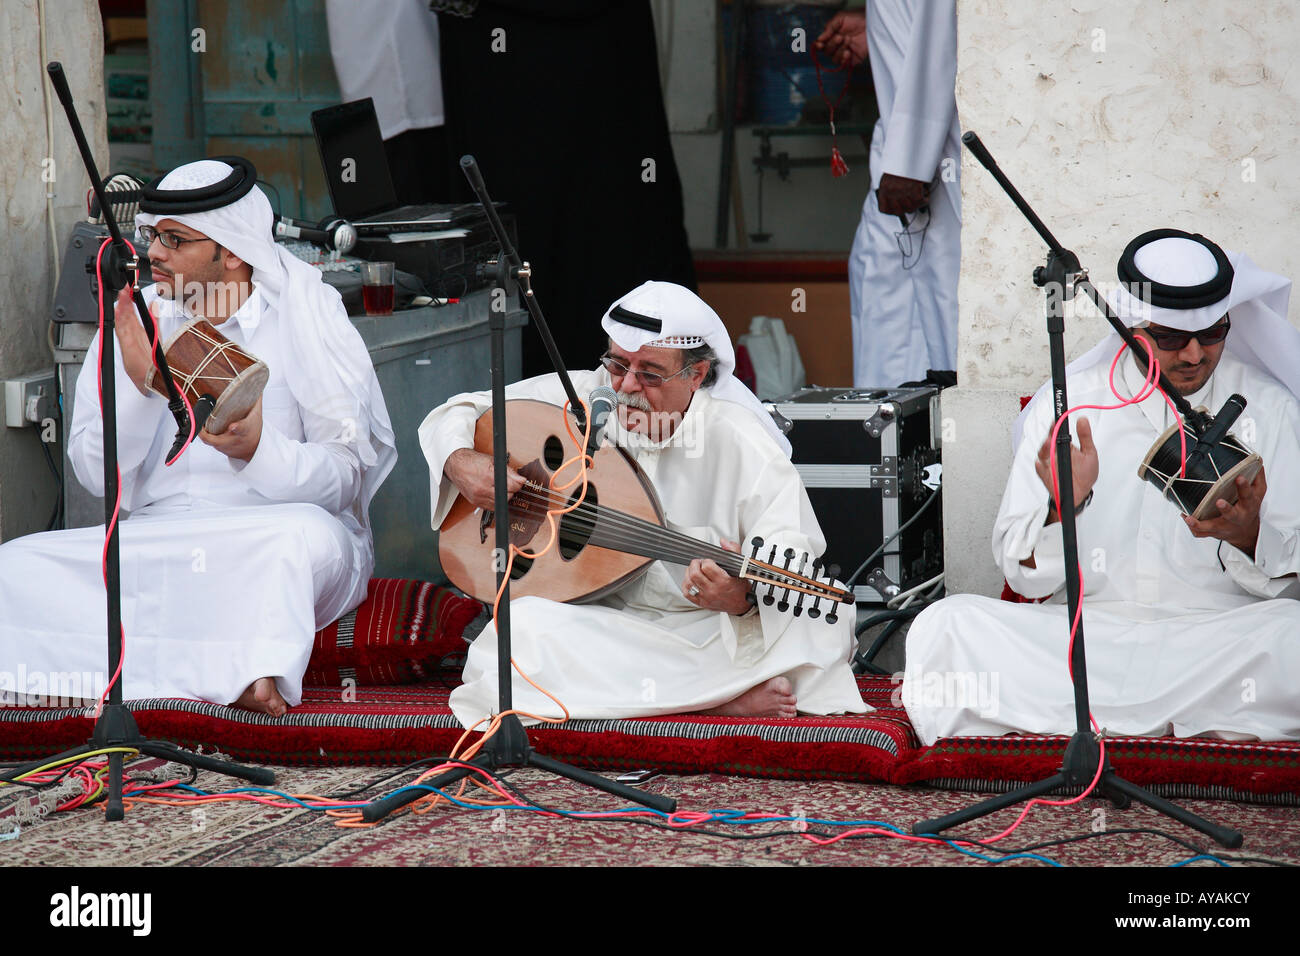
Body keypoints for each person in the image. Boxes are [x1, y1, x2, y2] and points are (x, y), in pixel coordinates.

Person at [0, 158, 397, 717]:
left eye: (174, 240)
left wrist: (260, 452)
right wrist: (143, 382)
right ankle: (215, 682)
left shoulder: (303, 316)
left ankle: (95, 683)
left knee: (285, 548)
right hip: (159, 538)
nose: (152, 254)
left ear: (231, 251)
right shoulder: (133, 324)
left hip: (274, 530)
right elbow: (94, 476)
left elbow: (343, 478)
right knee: (19, 563)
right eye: (150, 237)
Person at [902, 229, 1300, 746]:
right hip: (1088, 641)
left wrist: (1249, 538)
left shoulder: (1270, 409)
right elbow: (1024, 580)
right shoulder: (1072, 405)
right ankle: (1192, 721)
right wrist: (1059, 510)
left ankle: (1082, 718)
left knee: (1291, 636)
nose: (1196, 355)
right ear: (1132, 327)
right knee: (947, 624)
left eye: (1214, 333)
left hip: (1214, 640)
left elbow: (1289, 581)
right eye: (1172, 338)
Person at [418, 281, 867, 728]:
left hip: (703, 631)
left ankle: (683, 699)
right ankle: (711, 703)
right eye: (618, 364)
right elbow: (453, 413)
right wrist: (462, 462)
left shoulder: (740, 440)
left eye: (650, 373)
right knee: (515, 635)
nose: (627, 385)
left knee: (826, 628)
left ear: (696, 373)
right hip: (603, 620)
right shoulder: (583, 396)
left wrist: (741, 599)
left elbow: (789, 548)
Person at [816, 2, 961, 387]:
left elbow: (940, 37)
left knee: (929, 320)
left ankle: (930, 441)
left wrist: (910, 163)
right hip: (901, 158)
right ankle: (885, 437)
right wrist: (882, 34)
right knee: (884, 300)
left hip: (925, 167)